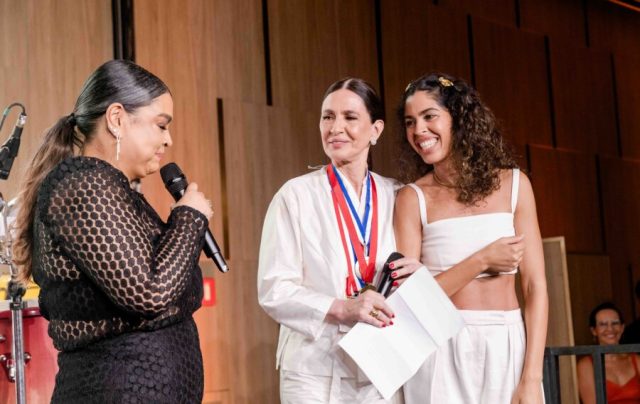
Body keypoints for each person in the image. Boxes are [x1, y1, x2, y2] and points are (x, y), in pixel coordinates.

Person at [12, 59, 213, 403]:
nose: (168, 140)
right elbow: (149, 292)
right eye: (161, 125)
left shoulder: (116, 190)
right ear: (117, 118)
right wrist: (189, 218)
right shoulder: (82, 182)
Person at [392, 73, 548, 403]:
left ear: (459, 118)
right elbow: (411, 301)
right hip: (438, 348)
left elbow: (535, 287)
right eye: (410, 121)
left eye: (429, 116)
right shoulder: (411, 198)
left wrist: (532, 378)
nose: (419, 130)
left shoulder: (514, 184)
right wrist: (483, 260)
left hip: (507, 343)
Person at [257, 78, 402, 403]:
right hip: (314, 367)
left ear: (375, 130)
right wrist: (342, 308)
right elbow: (274, 289)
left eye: (350, 118)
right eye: (327, 117)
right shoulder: (295, 195)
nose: (336, 127)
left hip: (381, 363)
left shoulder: (395, 195)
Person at [577, 302, 640, 403]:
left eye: (615, 323)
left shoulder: (636, 360)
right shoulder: (586, 365)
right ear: (594, 330)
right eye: (603, 324)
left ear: (622, 328)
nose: (610, 329)